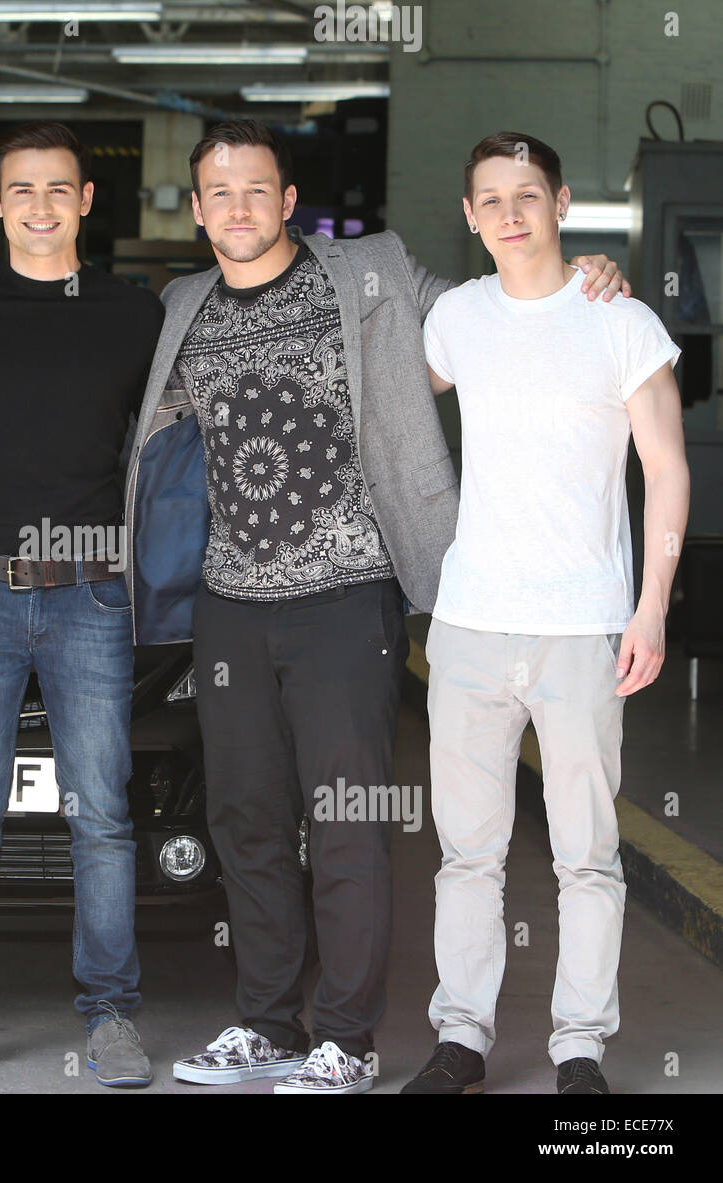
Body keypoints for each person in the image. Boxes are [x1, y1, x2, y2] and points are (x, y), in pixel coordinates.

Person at [123, 119, 628, 1094]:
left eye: (255, 190)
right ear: (196, 210)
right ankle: (266, 1023)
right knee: (246, 817)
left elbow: (499, 314)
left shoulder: (370, 272)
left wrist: (583, 276)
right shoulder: (180, 304)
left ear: (286, 198)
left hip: (346, 600)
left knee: (346, 819)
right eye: (218, 194)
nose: (237, 208)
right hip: (228, 604)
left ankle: (345, 1039)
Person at [402, 132, 688, 1096]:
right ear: (472, 217)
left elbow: (669, 468)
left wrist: (650, 609)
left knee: (588, 853)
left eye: (529, 194)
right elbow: (384, 393)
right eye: (491, 199)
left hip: (583, 625)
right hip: (471, 622)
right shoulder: (454, 318)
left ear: (561, 202)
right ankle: (462, 1039)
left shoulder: (623, 320)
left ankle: (579, 1048)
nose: (511, 212)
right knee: (466, 852)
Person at [0, 121, 164, 1088]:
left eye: (60, 188)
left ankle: (113, 1016)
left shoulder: (136, 316)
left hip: (92, 593)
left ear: (86, 201)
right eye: (23, 189)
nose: (41, 206)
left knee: (102, 814)